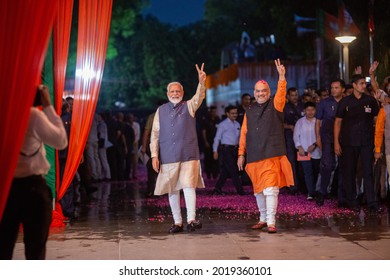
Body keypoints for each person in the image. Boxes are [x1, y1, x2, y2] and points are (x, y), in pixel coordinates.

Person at [0, 85, 68, 259]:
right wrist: (48, 106)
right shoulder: (32, 116)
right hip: (32, 189)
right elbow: (60, 141)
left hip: (6, 189)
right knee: (35, 251)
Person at [237, 59, 294, 234]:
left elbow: (281, 93)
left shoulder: (276, 105)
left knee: (270, 189)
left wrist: (282, 77)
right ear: (254, 93)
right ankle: (263, 219)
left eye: (264, 91)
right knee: (259, 191)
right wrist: (241, 154)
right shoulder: (250, 110)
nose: (261, 94)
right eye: (258, 91)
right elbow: (244, 133)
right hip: (254, 155)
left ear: (269, 93)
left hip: (271, 153)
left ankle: (271, 221)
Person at [151, 63, 206, 233]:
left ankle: (191, 219)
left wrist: (201, 82)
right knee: (172, 189)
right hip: (168, 155)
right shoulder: (160, 110)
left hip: (188, 153)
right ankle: (177, 222)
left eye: (178, 91)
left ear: (182, 94)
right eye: (172, 91)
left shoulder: (189, 106)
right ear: (168, 94)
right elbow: (155, 134)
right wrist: (154, 155)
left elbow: (199, 96)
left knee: (189, 186)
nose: (175, 93)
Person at [334, 74, 381, 212]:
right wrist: (336, 143)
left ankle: (371, 202)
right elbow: (337, 122)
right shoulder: (345, 102)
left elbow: (377, 119)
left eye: (364, 83)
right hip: (348, 142)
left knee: (368, 172)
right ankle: (351, 201)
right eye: (361, 83)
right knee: (349, 172)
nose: (364, 86)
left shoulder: (370, 101)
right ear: (354, 85)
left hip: (366, 141)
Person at [315, 79, 345, 206]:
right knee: (328, 165)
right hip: (327, 137)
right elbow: (317, 121)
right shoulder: (324, 102)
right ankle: (322, 192)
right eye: (332, 87)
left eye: (336, 88)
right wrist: (317, 138)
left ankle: (342, 197)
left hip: (344, 138)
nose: (333, 90)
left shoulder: (347, 102)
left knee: (344, 167)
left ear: (343, 89)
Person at [212, 105, 245, 195]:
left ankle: (217, 188)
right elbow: (217, 138)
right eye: (232, 113)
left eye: (236, 113)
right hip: (226, 149)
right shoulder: (222, 125)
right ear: (227, 114)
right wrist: (215, 150)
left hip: (235, 149)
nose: (235, 115)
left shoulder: (237, 124)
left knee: (226, 171)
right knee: (233, 170)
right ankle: (240, 190)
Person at [293, 102, 321, 200]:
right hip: (303, 151)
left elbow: (321, 136)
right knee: (307, 172)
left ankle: (318, 191)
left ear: (316, 110)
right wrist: (299, 147)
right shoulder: (300, 122)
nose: (310, 112)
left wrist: (315, 145)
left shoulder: (318, 122)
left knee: (317, 171)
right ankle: (311, 193)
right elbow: (296, 136)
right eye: (308, 110)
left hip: (317, 151)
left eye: (312, 110)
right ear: (304, 111)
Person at [141, 99, 167, 197]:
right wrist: (143, 147)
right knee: (152, 169)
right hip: (154, 146)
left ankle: (162, 190)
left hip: (166, 146)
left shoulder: (170, 117)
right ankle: (151, 190)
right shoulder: (152, 117)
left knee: (164, 169)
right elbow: (146, 133)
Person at [283, 87, 304, 194]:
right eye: (292, 95)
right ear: (288, 96)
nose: (294, 97)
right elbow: (279, 124)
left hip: (303, 138)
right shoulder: (285, 107)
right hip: (290, 138)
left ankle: (304, 187)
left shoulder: (303, 106)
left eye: (296, 95)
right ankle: (293, 186)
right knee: (291, 162)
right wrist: (290, 126)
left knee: (303, 161)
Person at [201, 105, 220, 179]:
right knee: (208, 158)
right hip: (208, 141)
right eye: (213, 111)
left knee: (216, 158)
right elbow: (203, 131)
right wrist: (205, 141)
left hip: (216, 142)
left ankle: (215, 173)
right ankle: (208, 173)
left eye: (215, 111)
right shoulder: (206, 119)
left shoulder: (218, 119)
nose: (214, 113)